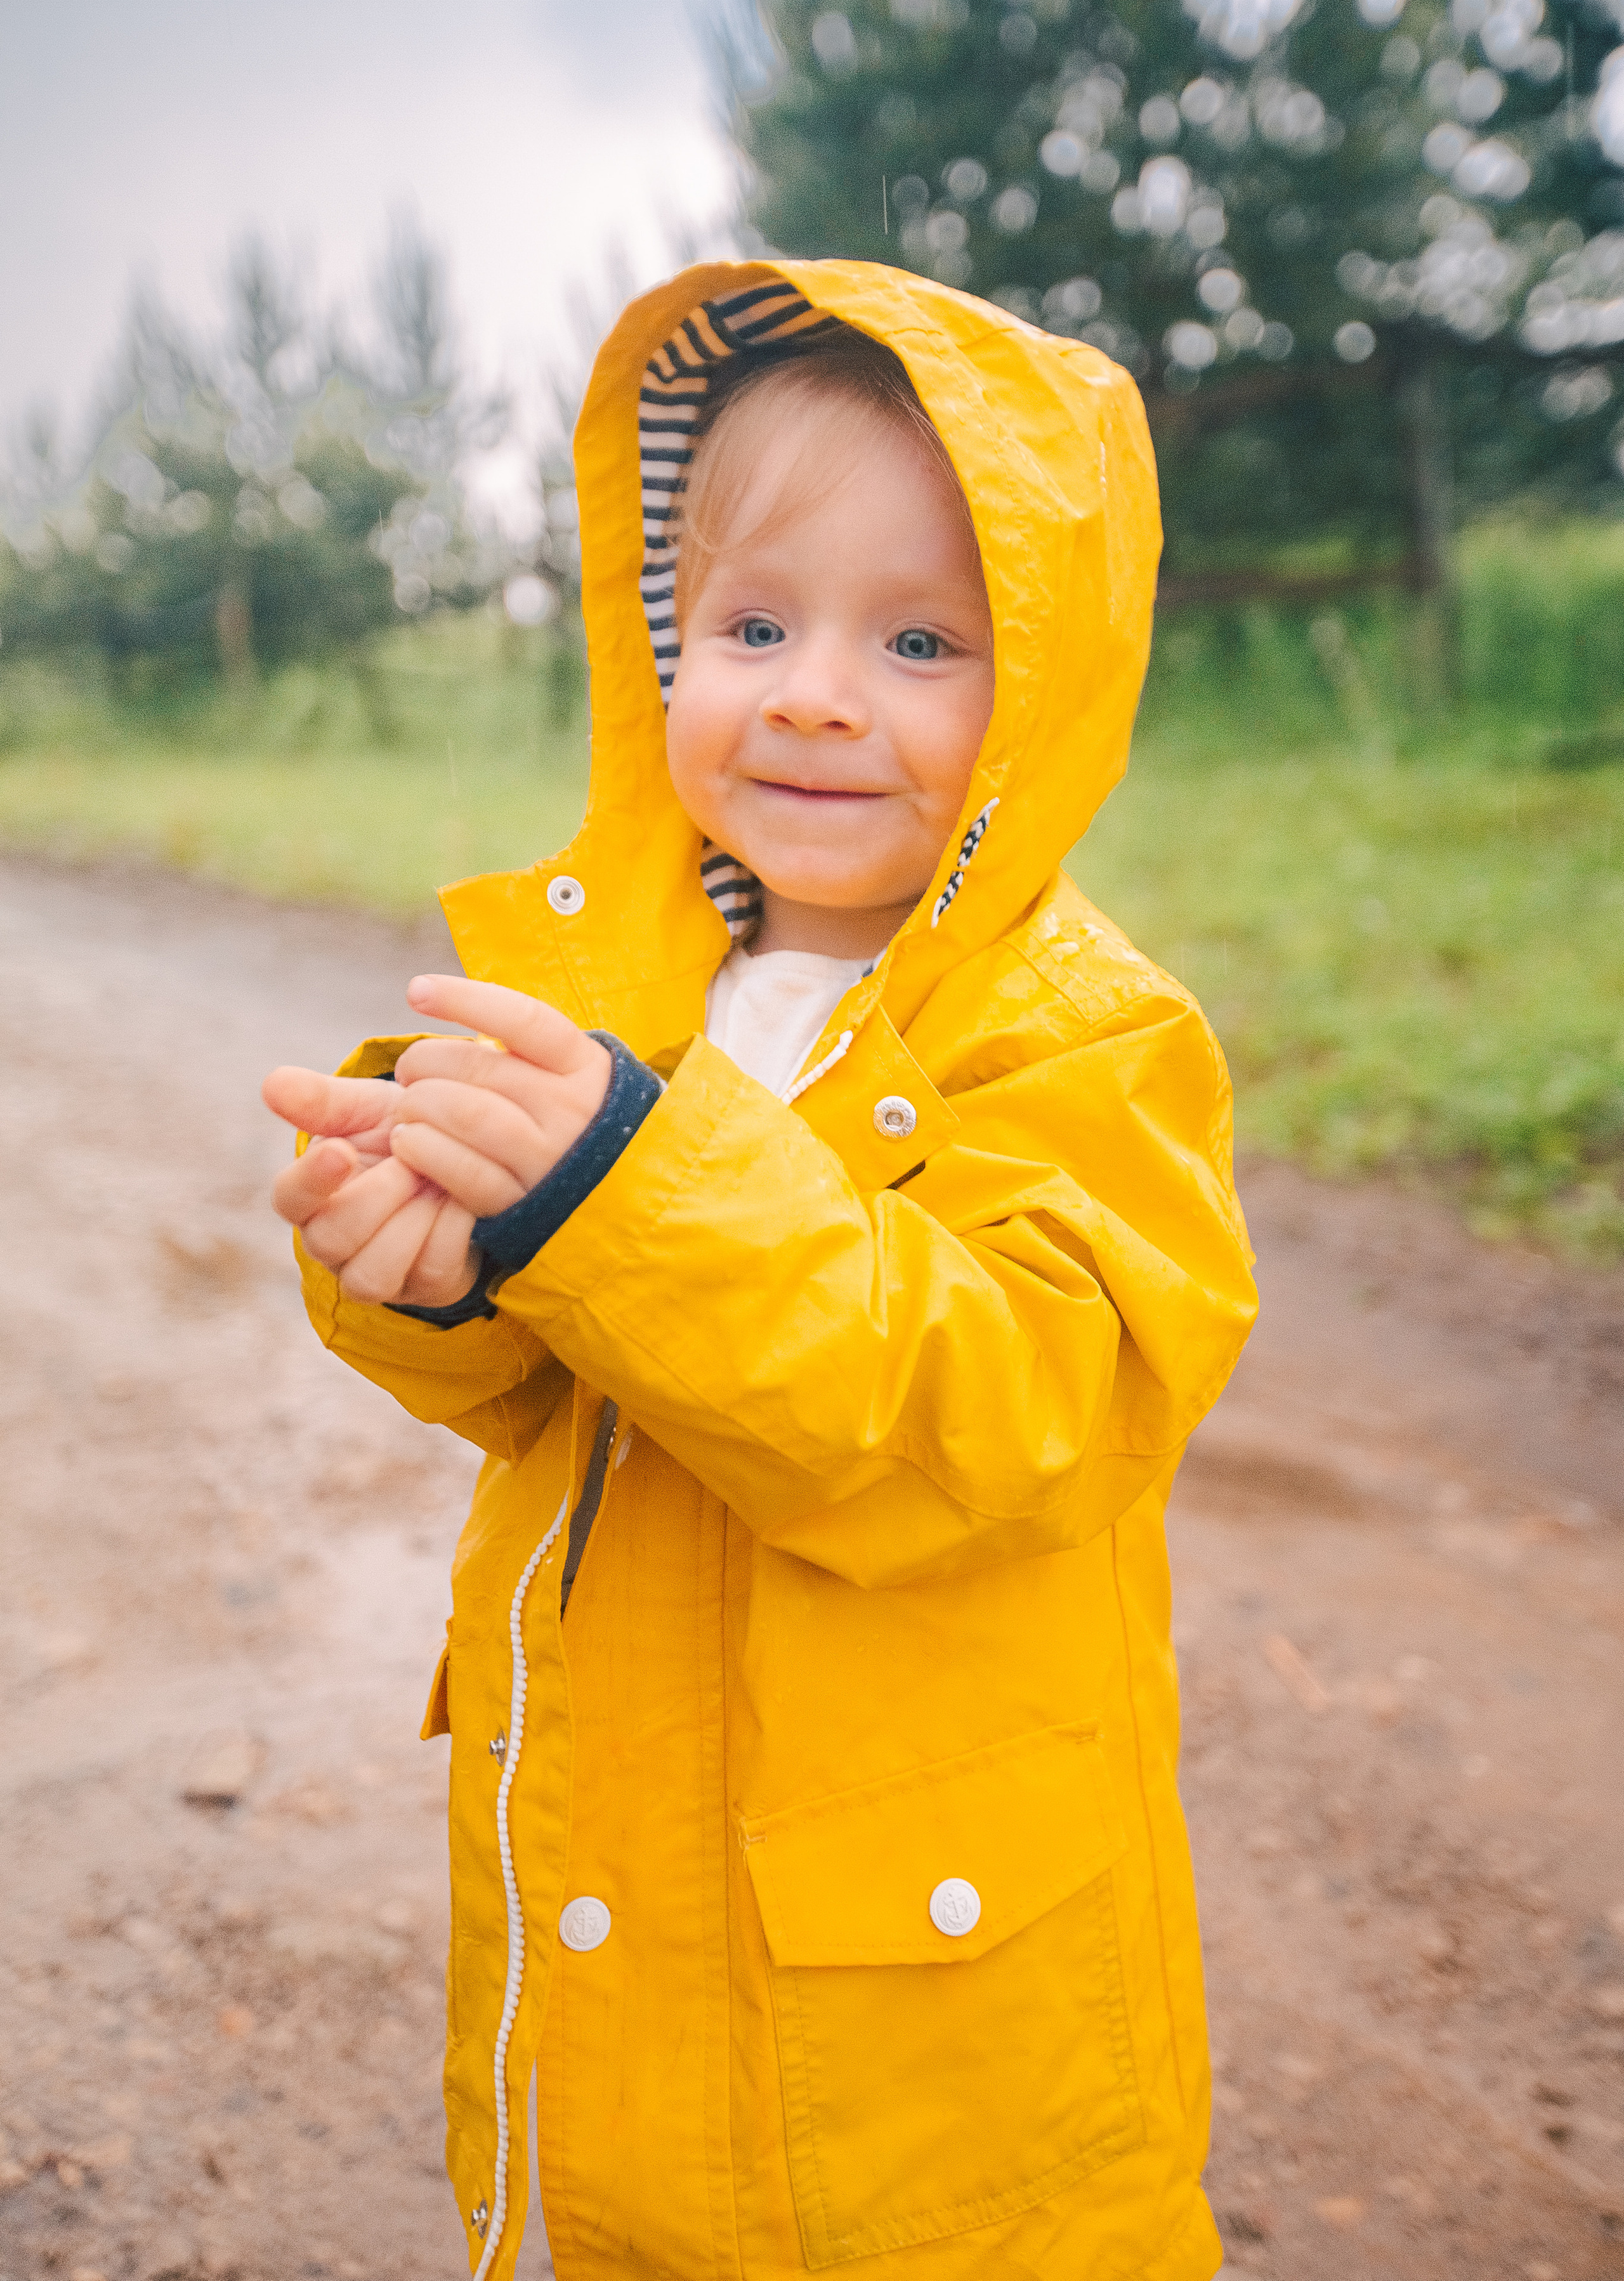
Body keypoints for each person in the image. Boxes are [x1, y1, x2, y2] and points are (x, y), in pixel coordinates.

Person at [263, 261, 1259, 2281]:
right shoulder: (618, 999)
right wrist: (434, 1275)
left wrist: (623, 1190)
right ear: (662, 648)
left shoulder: (1080, 1040)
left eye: (919, 640)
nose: (812, 694)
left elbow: (1020, 1412)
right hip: (621, 1890)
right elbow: (543, 1396)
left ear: (1046, 689)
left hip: (931, 2026)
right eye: (753, 626)